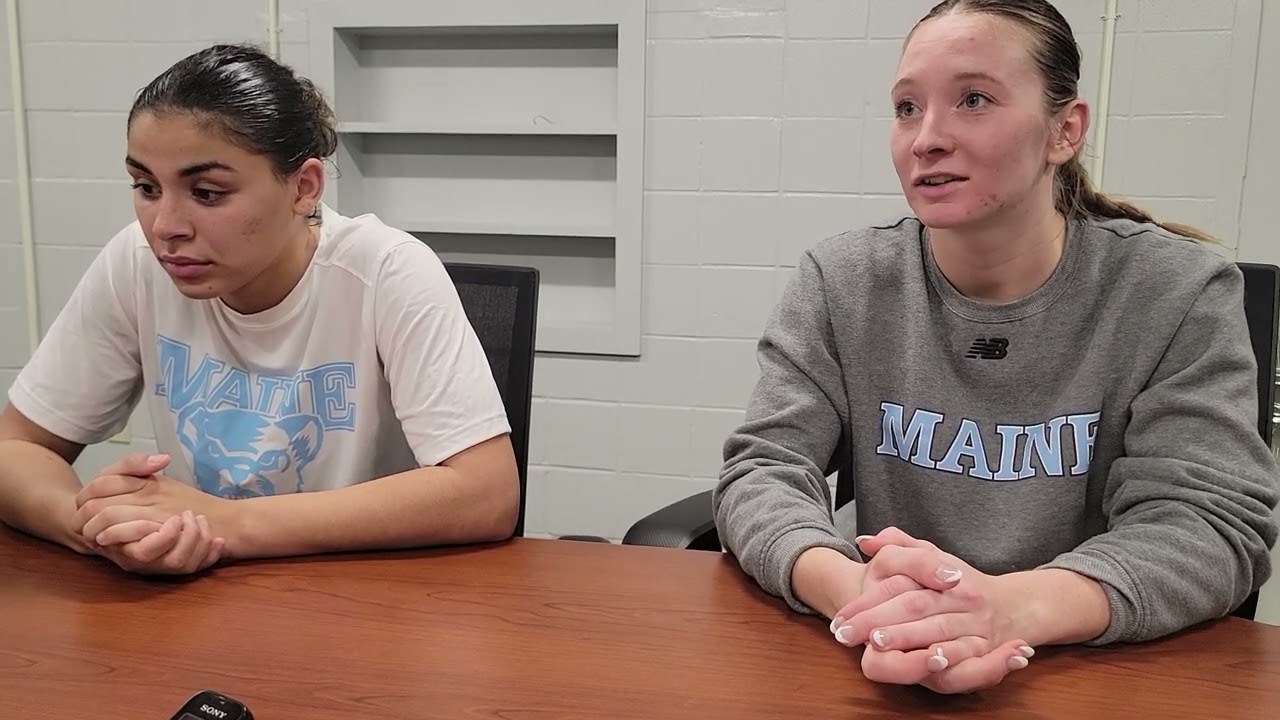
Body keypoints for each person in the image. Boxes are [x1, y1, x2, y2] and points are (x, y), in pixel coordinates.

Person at [713, 0, 1279, 695]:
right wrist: (858, 593)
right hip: (881, 662)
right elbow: (762, 472)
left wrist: (1015, 607)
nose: (926, 138)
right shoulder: (842, 281)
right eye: (906, 107)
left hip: (1091, 676)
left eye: (973, 99)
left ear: (1064, 130)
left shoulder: (1178, 292)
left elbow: (1210, 525)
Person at [0, 44, 520, 575]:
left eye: (206, 192)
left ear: (303, 187)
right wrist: (99, 525)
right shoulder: (136, 262)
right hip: (190, 605)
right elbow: (13, 448)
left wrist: (225, 525)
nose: (165, 226)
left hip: (361, 603)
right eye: (146, 187)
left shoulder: (386, 271)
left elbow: (486, 493)